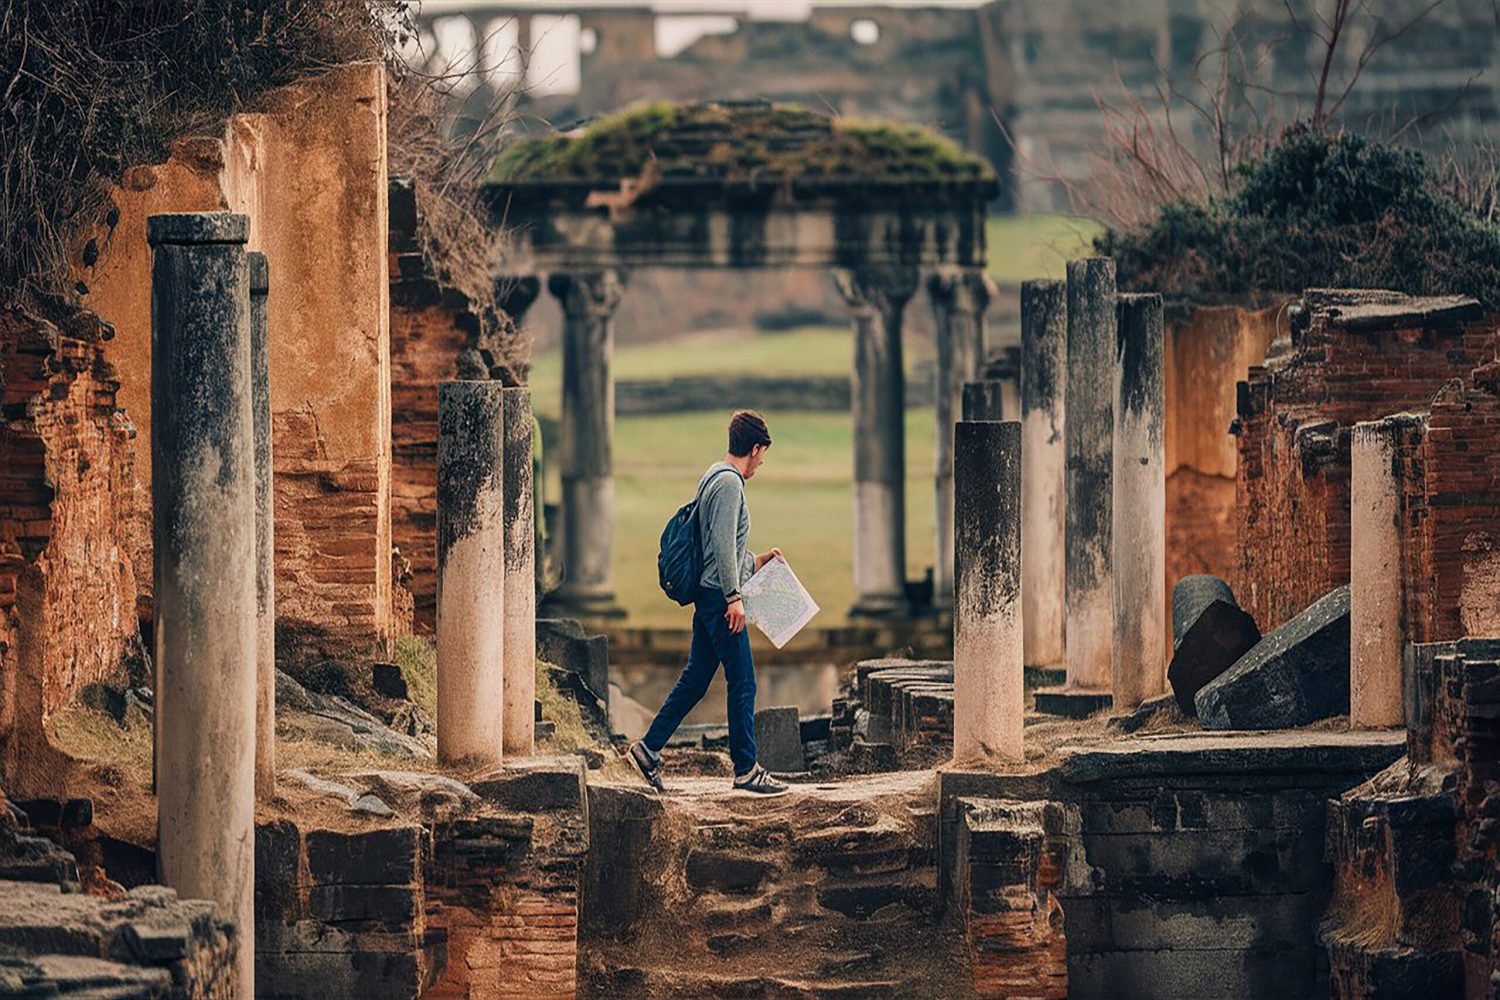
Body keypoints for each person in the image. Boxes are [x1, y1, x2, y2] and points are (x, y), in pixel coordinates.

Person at [629, 410, 789, 795]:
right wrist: (734, 597)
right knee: (744, 681)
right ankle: (747, 770)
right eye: (763, 454)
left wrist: (757, 560)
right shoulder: (730, 484)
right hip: (719, 598)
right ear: (754, 448)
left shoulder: (714, 475)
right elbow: (718, 545)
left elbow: (721, 545)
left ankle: (647, 750)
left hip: (709, 592)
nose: (762, 463)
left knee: (696, 678)